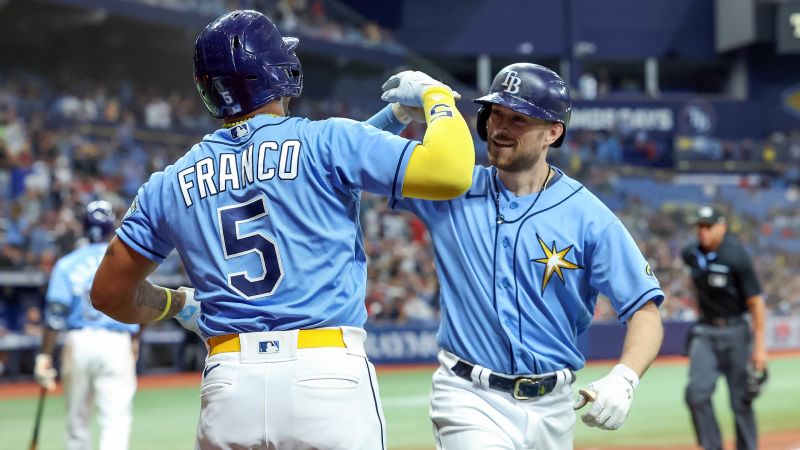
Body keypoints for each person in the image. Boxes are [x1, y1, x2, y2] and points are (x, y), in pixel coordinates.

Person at [90, 9, 474, 450]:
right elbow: (450, 172)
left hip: (229, 384)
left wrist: (176, 303)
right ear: (279, 71)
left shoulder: (168, 182)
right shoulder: (326, 140)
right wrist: (437, 96)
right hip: (326, 372)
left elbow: (108, 293)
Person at [374, 63, 665, 449]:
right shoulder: (450, 186)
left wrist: (625, 377)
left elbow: (645, 311)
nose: (500, 128)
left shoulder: (589, 216)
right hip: (468, 396)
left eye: (519, 118)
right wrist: (395, 116)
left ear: (553, 132)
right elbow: (343, 160)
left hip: (555, 406)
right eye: (496, 113)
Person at [34, 200, 141, 450]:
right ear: (112, 227)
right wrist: (135, 339)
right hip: (117, 341)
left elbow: (55, 315)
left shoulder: (67, 263)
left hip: (79, 342)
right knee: (115, 420)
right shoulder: (127, 264)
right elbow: (142, 306)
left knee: (76, 422)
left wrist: (44, 355)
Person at [681, 206, 767, 450]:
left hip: (736, 330)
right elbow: (696, 286)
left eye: (708, 226)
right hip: (705, 331)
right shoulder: (689, 253)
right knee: (696, 394)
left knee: (741, 400)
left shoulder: (737, 256)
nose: (703, 231)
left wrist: (760, 348)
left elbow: (756, 302)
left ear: (722, 227)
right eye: (699, 226)